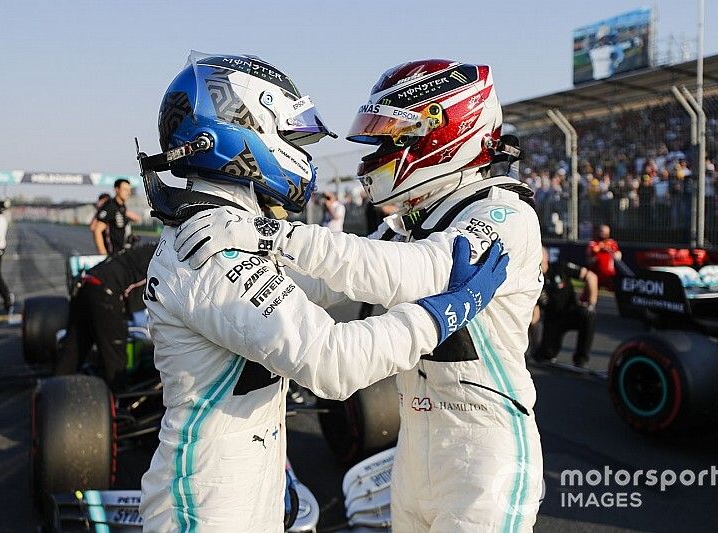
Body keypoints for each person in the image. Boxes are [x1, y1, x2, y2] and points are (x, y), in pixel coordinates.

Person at [136, 52, 509, 532]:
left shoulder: (227, 228)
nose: (302, 150)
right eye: (291, 135)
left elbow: (315, 285)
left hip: (233, 484)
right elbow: (334, 362)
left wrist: (384, 244)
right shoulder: (212, 247)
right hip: (204, 507)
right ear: (237, 129)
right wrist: (441, 314)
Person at [54, 243, 156, 392]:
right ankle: (117, 408)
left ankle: (52, 396)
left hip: (85, 284)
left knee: (72, 353)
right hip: (105, 293)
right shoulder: (169, 260)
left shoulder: (153, 248)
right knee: (115, 363)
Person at [532, 247, 598, 368]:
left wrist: (591, 304)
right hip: (553, 320)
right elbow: (534, 316)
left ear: (546, 257)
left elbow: (591, 277)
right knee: (545, 356)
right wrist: (534, 345)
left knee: (589, 315)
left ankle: (581, 360)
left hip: (571, 312)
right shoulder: (532, 281)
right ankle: (544, 351)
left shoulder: (560, 267)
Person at [93, 179, 141, 256]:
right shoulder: (110, 206)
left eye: (129, 190)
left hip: (122, 253)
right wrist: (103, 255)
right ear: (117, 190)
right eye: (125, 189)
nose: (128, 192)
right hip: (112, 255)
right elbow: (97, 230)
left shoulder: (122, 207)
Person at [586, 223, 621, 290]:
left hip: (609, 275)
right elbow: (590, 254)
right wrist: (599, 249)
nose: (604, 234)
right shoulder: (593, 243)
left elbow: (617, 254)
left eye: (606, 232)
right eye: (602, 231)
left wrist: (615, 253)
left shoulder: (612, 243)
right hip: (596, 274)